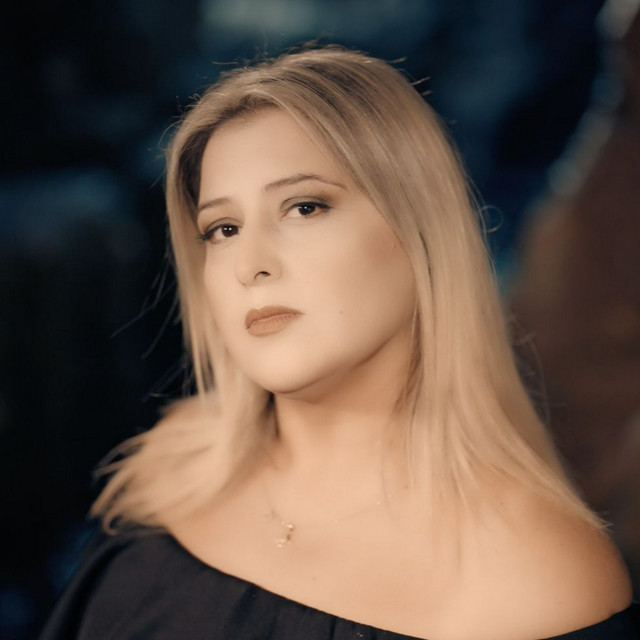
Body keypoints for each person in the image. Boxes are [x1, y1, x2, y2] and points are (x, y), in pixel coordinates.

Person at [39, 46, 638, 640]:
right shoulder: (167, 467)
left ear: (420, 227)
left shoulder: (536, 583)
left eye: (304, 207)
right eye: (223, 228)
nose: (249, 264)